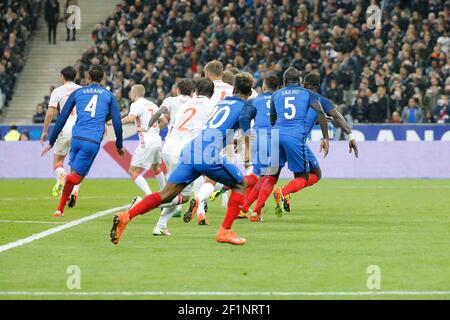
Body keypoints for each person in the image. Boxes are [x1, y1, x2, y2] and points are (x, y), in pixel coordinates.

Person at [110, 73, 255, 246]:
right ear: (250, 92)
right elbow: (246, 129)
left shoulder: (221, 104)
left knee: (166, 195)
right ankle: (225, 231)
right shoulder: (246, 107)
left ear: (234, 88)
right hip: (208, 154)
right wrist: (247, 154)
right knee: (240, 184)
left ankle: (126, 216)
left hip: (190, 150)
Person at [42, 66, 124, 217]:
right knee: (76, 177)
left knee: (75, 173)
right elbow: (117, 122)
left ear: (88, 78)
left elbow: (62, 118)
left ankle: (60, 209)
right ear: (103, 78)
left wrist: (52, 141)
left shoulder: (78, 92)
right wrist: (119, 145)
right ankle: (64, 177)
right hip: (92, 140)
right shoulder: (108, 95)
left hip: (77, 137)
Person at [152, 78, 216, 234]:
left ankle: (161, 226)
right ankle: (145, 203)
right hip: (184, 153)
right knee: (184, 196)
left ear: (196, 91)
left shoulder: (185, 105)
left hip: (168, 148)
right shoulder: (212, 106)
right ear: (212, 93)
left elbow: (170, 123)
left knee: (174, 191)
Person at [269, 67, 330, 217]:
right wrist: (325, 137)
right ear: (300, 81)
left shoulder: (276, 94)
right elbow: (321, 112)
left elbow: (272, 118)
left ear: (284, 81)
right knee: (304, 177)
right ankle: (283, 192)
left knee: (270, 175)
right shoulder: (307, 94)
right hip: (295, 138)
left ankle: (253, 209)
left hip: (276, 135)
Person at [41, 66, 81, 202]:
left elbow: (51, 112)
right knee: (76, 165)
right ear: (75, 77)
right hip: (81, 129)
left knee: (58, 162)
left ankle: (63, 176)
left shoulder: (57, 91)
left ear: (62, 77)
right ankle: (74, 191)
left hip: (65, 128)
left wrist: (45, 131)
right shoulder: (82, 90)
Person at [118, 84, 167, 195]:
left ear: (134, 93)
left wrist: (116, 121)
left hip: (147, 141)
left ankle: (149, 196)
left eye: (131, 91)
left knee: (133, 171)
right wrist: (155, 130)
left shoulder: (136, 104)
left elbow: (131, 118)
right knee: (156, 168)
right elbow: (164, 121)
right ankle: (164, 193)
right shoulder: (153, 104)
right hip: (157, 141)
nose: (130, 93)